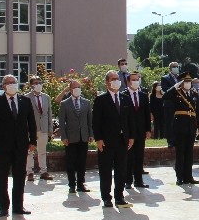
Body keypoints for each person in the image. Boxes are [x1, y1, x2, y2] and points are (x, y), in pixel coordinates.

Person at [0, 75, 37, 217]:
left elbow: (31, 123)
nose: (12, 85)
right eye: (9, 83)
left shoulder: (25, 101)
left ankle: (18, 206)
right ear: (4, 86)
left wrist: (33, 141)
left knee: (20, 176)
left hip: (20, 145)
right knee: (2, 177)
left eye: (14, 82)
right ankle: (3, 207)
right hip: (2, 146)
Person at [93, 69, 134, 207]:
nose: (116, 81)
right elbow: (96, 122)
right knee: (105, 171)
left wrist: (131, 136)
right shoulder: (101, 99)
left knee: (121, 170)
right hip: (106, 141)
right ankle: (106, 197)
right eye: (113, 79)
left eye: (117, 79)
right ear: (107, 82)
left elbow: (130, 119)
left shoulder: (125, 98)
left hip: (122, 140)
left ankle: (119, 196)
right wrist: (98, 139)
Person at [58, 78, 92, 194]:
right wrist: (63, 136)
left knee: (82, 162)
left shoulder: (86, 102)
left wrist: (91, 134)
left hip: (83, 136)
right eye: (75, 87)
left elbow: (89, 120)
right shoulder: (64, 103)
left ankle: (81, 184)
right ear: (70, 89)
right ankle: (71, 184)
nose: (77, 89)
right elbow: (61, 122)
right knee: (71, 161)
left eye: (79, 87)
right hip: (70, 137)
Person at [165, 71, 199, 185]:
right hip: (180, 125)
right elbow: (165, 96)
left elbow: (197, 110)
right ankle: (179, 177)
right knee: (180, 152)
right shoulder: (176, 93)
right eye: (186, 81)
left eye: (189, 81)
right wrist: (175, 86)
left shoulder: (193, 93)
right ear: (181, 82)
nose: (188, 83)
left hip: (191, 125)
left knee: (189, 152)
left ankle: (189, 176)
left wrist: (198, 125)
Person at [122, 71, 151, 190]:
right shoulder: (123, 95)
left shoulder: (143, 95)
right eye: (133, 80)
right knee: (129, 157)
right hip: (128, 131)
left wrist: (148, 129)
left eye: (137, 79)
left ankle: (138, 180)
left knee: (139, 156)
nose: (135, 82)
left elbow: (147, 113)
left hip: (141, 130)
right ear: (128, 82)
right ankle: (127, 181)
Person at [24, 76, 53, 183]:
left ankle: (43, 172)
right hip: (31, 129)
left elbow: (49, 114)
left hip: (43, 128)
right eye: (36, 83)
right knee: (29, 151)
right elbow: (25, 115)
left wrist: (50, 129)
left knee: (42, 151)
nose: (38, 84)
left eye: (39, 82)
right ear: (31, 85)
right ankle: (30, 172)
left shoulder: (46, 97)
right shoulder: (26, 98)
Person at [160, 62, 181, 147]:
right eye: (174, 66)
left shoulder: (181, 78)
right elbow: (166, 90)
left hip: (179, 104)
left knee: (178, 123)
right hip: (170, 104)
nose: (176, 68)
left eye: (177, 66)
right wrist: (176, 89)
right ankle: (170, 141)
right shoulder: (165, 78)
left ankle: (178, 140)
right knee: (169, 123)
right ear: (170, 68)